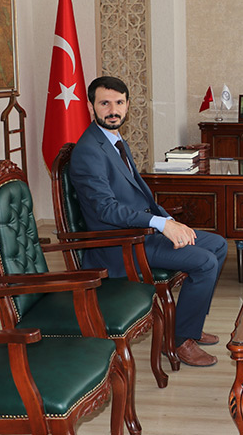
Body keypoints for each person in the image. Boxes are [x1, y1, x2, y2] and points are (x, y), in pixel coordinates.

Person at [70, 76, 227, 368]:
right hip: (118, 244)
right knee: (205, 262)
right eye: (105, 103)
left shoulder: (115, 141)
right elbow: (106, 210)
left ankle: (188, 326)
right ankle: (179, 341)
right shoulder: (88, 151)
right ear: (91, 107)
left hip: (141, 232)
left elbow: (140, 196)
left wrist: (168, 220)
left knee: (217, 245)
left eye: (119, 103)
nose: (113, 110)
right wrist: (161, 225)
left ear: (127, 105)